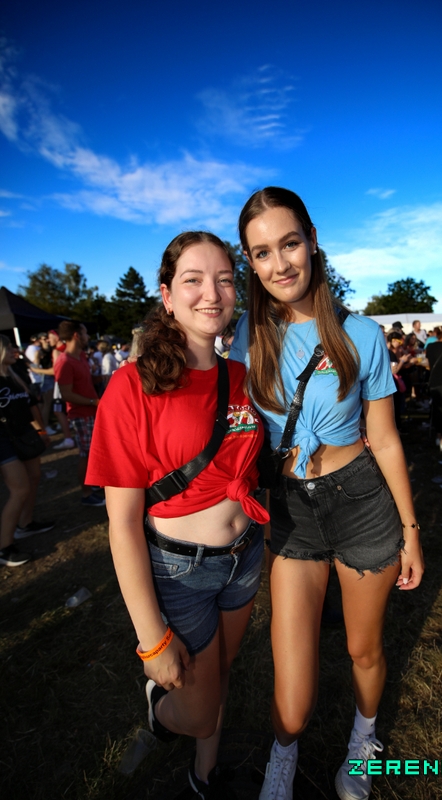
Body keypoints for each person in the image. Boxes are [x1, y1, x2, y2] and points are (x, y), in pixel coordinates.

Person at [230, 187, 424, 800]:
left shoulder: (359, 333)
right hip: (291, 514)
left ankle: (363, 739)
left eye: (289, 244)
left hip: (362, 503)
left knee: (364, 650)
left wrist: (412, 530)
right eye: (262, 252)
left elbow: (384, 439)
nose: (279, 263)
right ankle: (282, 755)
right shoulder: (246, 337)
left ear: (312, 242)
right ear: (250, 262)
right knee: (292, 693)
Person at [86, 231, 269, 799]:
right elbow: (121, 523)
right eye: (193, 280)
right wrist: (151, 640)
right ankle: (159, 709)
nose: (211, 293)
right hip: (180, 570)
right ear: (167, 296)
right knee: (195, 709)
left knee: (221, 673)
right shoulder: (131, 385)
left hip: (246, 555)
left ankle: (203, 775)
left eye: (224, 280)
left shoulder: (242, 376)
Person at [0, 335, 54, 566]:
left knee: (34, 478)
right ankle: (4, 547)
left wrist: (41, 431)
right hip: (4, 441)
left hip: (25, 436)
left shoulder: (14, 376)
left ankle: (25, 523)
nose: (15, 350)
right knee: (19, 489)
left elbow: (30, 406)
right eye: (9, 347)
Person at [54, 321, 105, 507]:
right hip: (81, 415)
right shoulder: (64, 362)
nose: (88, 337)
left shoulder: (80, 356)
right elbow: (66, 394)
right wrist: (94, 402)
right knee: (87, 454)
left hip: (91, 411)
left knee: (95, 452)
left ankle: (95, 484)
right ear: (77, 335)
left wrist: (101, 378)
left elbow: (85, 381)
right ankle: (86, 493)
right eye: (85, 333)